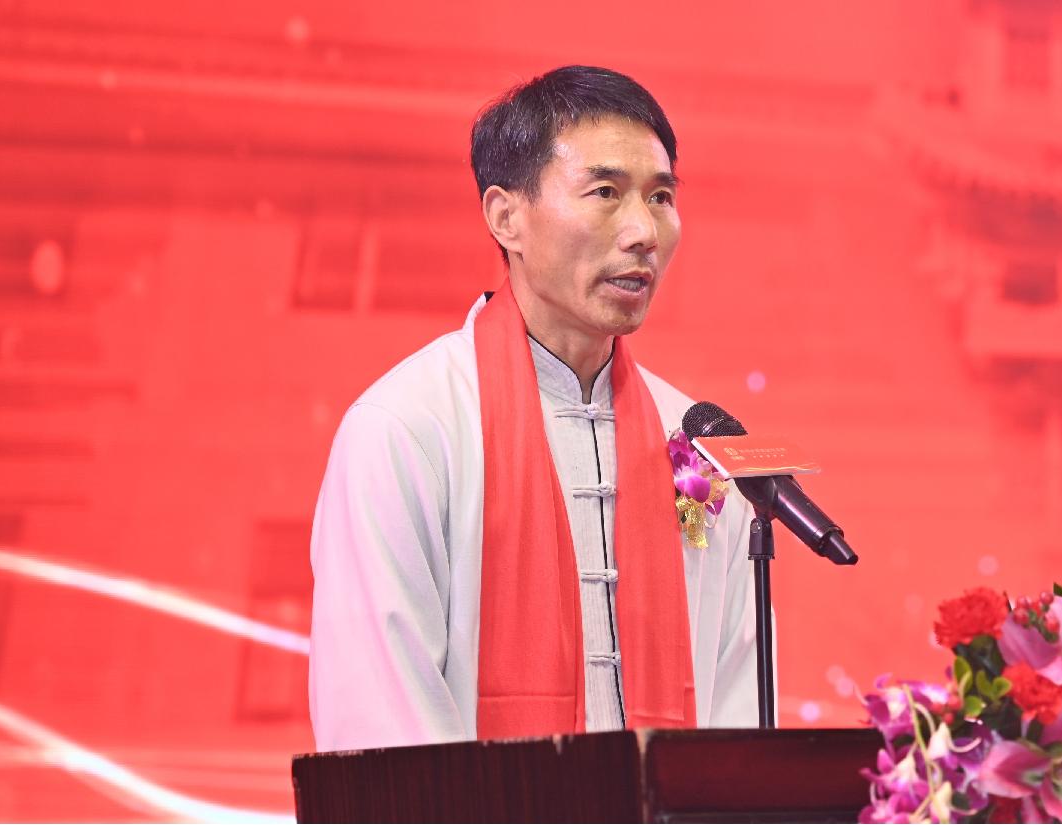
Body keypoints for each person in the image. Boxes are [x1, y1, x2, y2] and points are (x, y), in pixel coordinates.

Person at [307, 66, 758, 751]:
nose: (643, 230)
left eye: (660, 197)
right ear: (506, 217)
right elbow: (382, 718)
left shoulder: (695, 441)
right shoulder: (408, 427)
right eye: (605, 192)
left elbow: (736, 702)